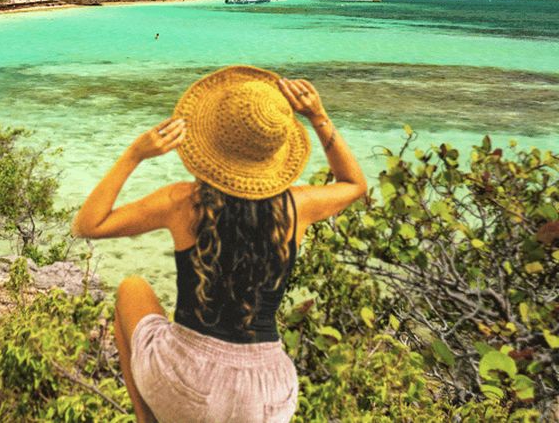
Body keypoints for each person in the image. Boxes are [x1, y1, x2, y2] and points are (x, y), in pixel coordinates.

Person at [72, 65, 367, 422]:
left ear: (211, 143)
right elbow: (354, 184)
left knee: (132, 289)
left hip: (186, 385)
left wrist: (134, 154)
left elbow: (88, 224)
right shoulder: (298, 206)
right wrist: (319, 116)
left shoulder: (184, 202)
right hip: (268, 397)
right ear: (274, 152)